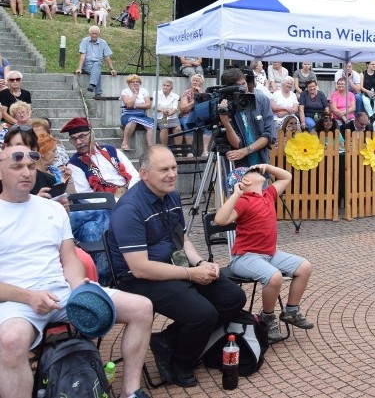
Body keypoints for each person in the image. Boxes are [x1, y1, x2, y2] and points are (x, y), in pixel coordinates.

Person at [0, 144, 154, 398]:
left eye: (30, 166)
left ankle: (131, 391)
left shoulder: (51, 209)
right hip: (17, 302)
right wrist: (28, 297)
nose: (26, 173)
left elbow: (69, 258)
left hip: (61, 293)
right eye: (17, 167)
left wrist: (79, 289)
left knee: (142, 308)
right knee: (10, 340)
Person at [107, 145, 246, 388]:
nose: (172, 174)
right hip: (139, 279)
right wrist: (191, 273)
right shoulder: (130, 209)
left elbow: (182, 238)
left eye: (174, 167)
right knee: (203, 313)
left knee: (232, 296)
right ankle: (181, 363)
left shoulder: (170, 195)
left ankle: (167, 340)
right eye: (164, 170)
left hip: (174, 265)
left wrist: (201, 264)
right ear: (144, 174)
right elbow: (140, 268)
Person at [216, 163, 313, 342]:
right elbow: (220, 220)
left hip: (269, 254)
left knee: (305, 267)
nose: (258, 171)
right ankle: (267, 317)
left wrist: (267, 166)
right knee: (274, 277)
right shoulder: (243, 201)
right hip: (244, 257)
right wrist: (237, 193)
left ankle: (291, 311)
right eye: (252, 170)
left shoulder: (268, 194)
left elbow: (287, 177)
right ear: (245, 181)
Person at [62, 117, 140, 196]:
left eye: (82, 136)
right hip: (107, 204)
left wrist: (130, 195)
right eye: (74, 139)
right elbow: (86, 195)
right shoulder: (74, 164)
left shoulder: (112, 150)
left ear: (92, 134)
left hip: (131, 195)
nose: (78, 142)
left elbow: (134, 174)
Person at [218, 68, 276, 168]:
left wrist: (245, 151)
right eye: (238, 86)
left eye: (244, 83)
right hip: (237, 168)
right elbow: (237, 144)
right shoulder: (226, 107)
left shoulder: (261, 100)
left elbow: (269, 135)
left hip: (260, 165)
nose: (243, 88)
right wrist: (226, 123)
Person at [75, 26, 117, 97]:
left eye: (96, 34)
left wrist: (112, 69)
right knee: (97, 70)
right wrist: (79, 68)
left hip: (98, 63)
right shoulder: (84, 41)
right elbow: (82, 55)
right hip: (88, 64)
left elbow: (107, 57)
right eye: (93, 33)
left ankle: (92, 85)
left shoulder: (103, 42)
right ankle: (98, 92)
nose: (94, 35)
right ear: (89, 33)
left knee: (97, 65)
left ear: (99, 34)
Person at [178, 73, 212, 156]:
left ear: (201, 83)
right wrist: (194, 101)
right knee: (187, 125)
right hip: (187, 115)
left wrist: (201, 95)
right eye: (193, 80)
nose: (195, 82)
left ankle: (205, 151)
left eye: (197, 81)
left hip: (200, 116)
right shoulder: (186, 93)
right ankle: (190, 151)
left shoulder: (204, 93)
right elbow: (183, 109)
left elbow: (207, 109)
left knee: (208, 126)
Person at [120, 74, 155, 150]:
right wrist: (135, 94)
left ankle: (150, 147)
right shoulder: (125, 91)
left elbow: (148, 105)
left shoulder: (144, 91)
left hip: (142, 115)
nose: (135, 83)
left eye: (137, 81)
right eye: (133, 82)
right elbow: (129, 105)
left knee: (151, 125)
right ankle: (124, 143)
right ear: (129, 83)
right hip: (128, 115)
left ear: (140, 83)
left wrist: (135, 105)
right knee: (132, 120)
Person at [156, 77, 181, 146]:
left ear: (171, 87)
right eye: (164, 85)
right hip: (161, 116)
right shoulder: (157, 93)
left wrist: (170, 113)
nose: (165, 87)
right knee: (165, 128)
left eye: (167, 86)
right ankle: (165, 148)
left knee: (178, 129)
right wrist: (163, 110)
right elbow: (155, 107)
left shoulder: (175, 96)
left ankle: (179, 150)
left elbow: (175, 108)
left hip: (172, 116)